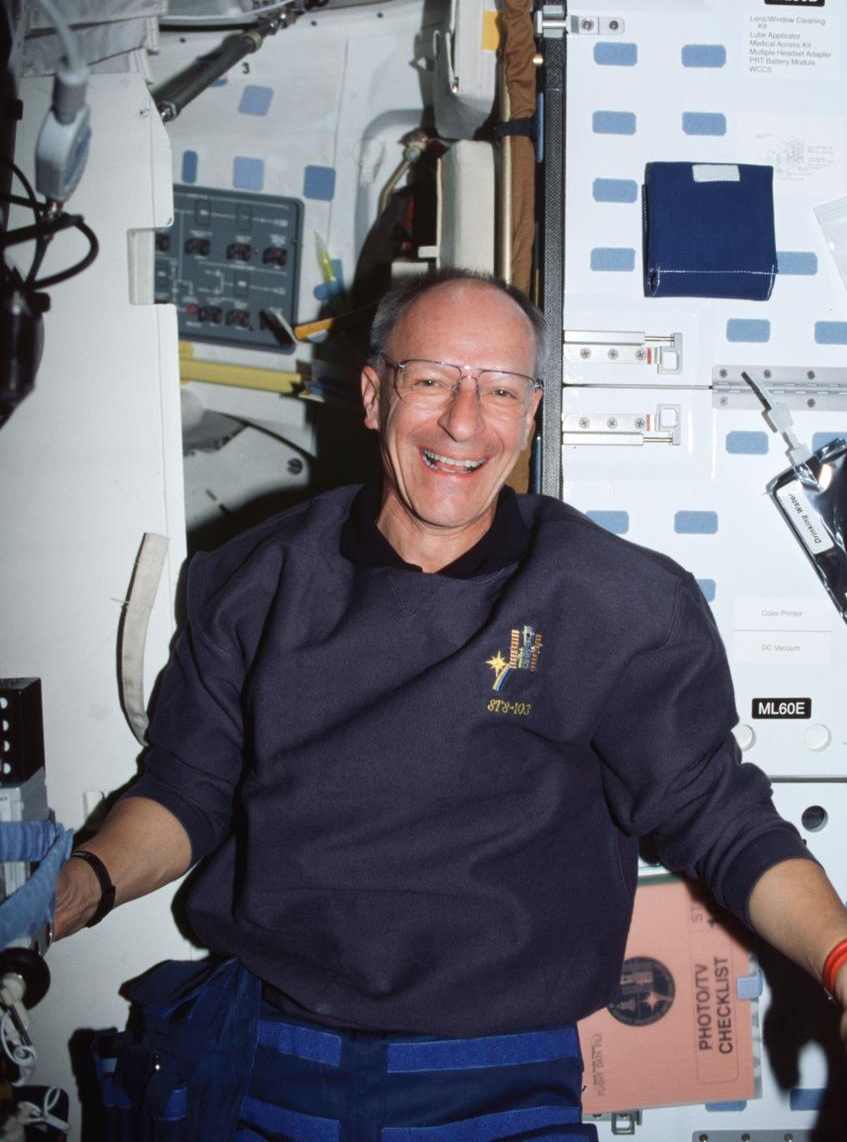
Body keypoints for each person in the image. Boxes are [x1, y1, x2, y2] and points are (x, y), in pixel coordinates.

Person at [56, 270, 847, 1137]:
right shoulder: (257, 576)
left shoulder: (615, 602)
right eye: (431, 379)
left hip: (496, 1084)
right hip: (261, 1062)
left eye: (499, 390)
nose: (463, 422)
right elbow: (186, 789)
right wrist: (80, 886)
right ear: (373, 395)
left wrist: (839, 963)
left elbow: (720, 818)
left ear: (531, 414)